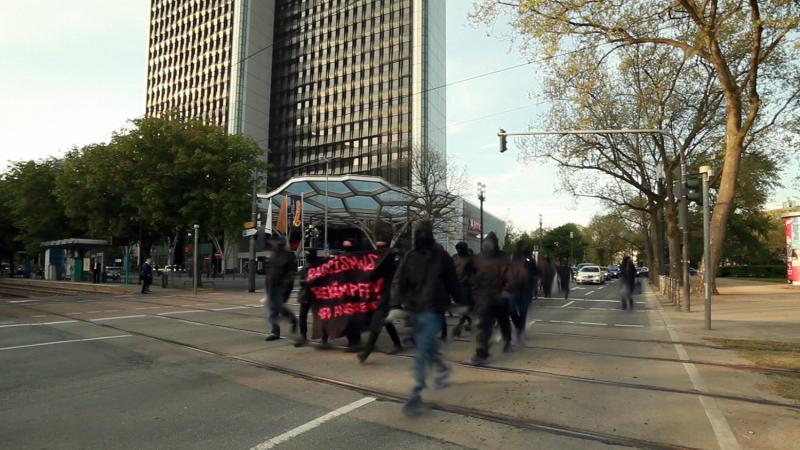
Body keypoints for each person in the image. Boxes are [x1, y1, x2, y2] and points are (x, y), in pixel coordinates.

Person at [391, 221, 459, 416]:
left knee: (422, 349)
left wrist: (463, 302)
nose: (420, 235)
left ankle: (416, 393)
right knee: (427, 346)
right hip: (413, 309)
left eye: (423, 232)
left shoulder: (442, 257)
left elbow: (452, 281)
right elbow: (398, 280)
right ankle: (442, 367)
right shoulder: (409, 257)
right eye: (417, 232)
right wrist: (396, 304)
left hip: (434, 309)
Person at [471, 232, 513, 365]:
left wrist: (506, 290)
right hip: (487, 297)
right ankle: (482, 352)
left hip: (497, 295)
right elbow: (471, 276)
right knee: (485, 324)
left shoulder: (503, 258)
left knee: (502, 321)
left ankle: (505, 341)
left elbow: (510, 277)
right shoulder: (478, 259)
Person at [358, 240, 403, 362]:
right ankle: (398, 343)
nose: (379, 249)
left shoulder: (389, 262)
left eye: (381, 247)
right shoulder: (385, 261)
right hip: (383, 296)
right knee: (386, 322)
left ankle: (367, 352)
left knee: (376, 324)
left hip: (387, 298)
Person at [264, 237, 298, 341]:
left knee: (279, 307)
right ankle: (275, 332)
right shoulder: (273, 255)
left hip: (283, 286)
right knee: (272, 309)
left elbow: (291, 272)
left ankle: (292, 320)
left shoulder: (289, 255)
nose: (272, 243)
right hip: (272, 286)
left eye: (274, 241)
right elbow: (270, 272)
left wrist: (286, 286)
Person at [294, 248, 323, 347]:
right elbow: (302, 278)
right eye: (306, 255)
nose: (307, 257)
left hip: (317, 295)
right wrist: (304, 282)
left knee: (320, 317)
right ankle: (303, 336)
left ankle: (324, 337)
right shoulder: (306, 265)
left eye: (308, 255)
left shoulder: (319, 265)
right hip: (306, 294)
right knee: (302, 316)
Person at [508, 241, 534, 343]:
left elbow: (535, 272)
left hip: (526, 289)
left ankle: (520, 330)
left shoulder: (529, 260)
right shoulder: (512, 259)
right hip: (514, 288)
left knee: (523, 311)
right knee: (512, 309)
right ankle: (518, 326)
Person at [452, 242, 474, 337]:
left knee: (466, 306)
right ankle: (470, 322)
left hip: (467, 286)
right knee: (463, 306)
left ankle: (459, 326)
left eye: (461, 249)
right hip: (456, 285)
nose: (459, 251)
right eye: (458, 249)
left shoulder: (471, 259)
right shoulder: (454, 257)